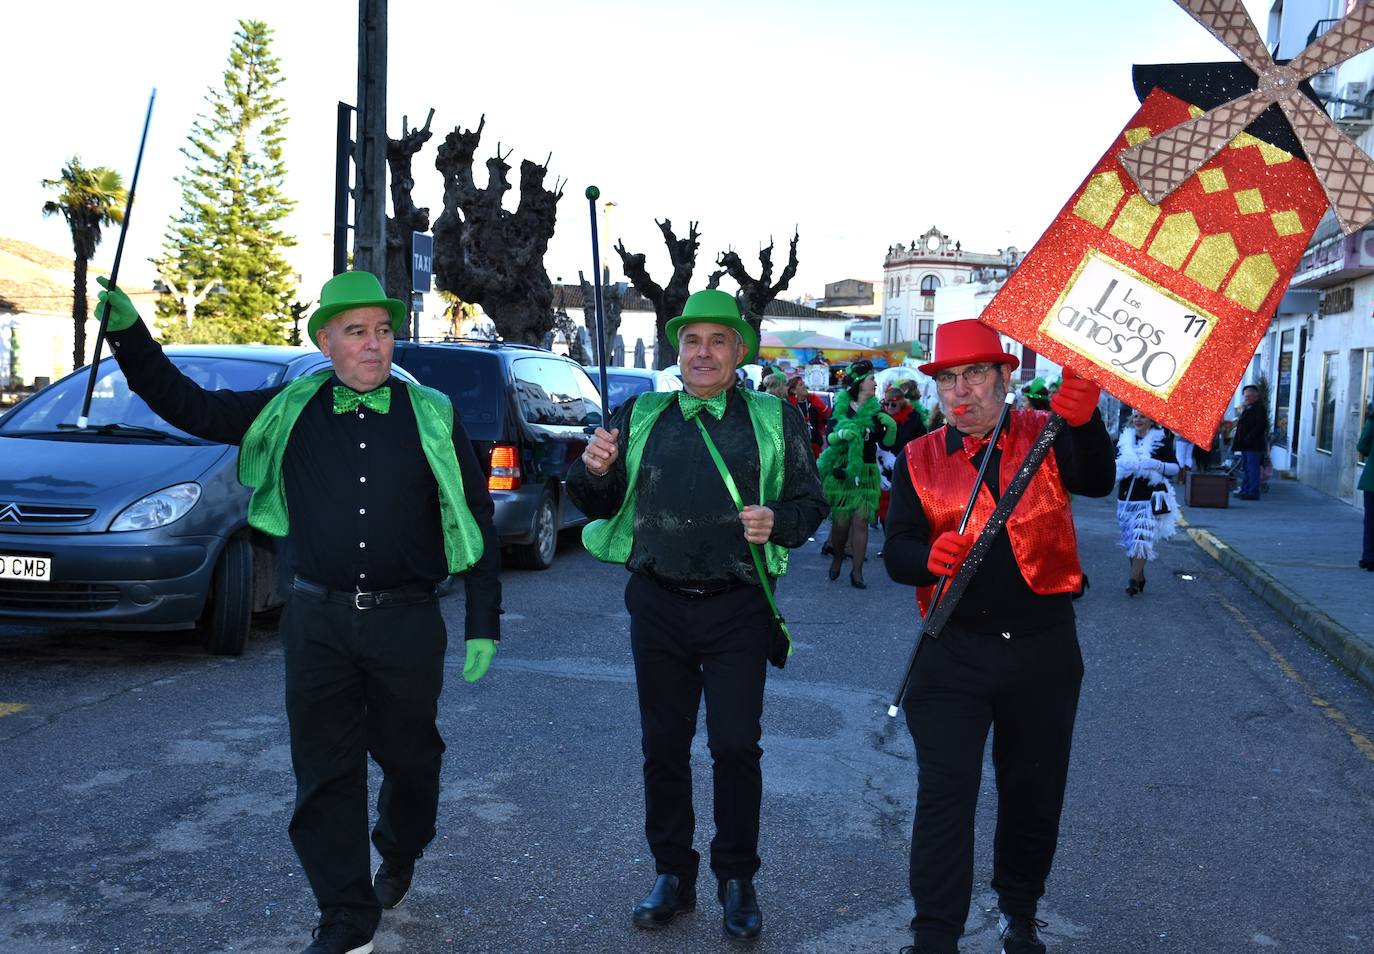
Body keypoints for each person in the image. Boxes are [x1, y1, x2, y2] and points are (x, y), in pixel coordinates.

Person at [95, 272, 502, 954]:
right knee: (324, 772)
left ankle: (399, 849)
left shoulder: (432, 413)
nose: (373, 346)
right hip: (317, 622)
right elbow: (187, 404)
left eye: (381, 330)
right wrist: (132, 338)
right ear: (324, 341)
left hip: (407, 622)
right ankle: (345, 916)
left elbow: (476, 513)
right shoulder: (289, 408)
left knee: (412, 762)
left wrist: (484, 620)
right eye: (355, 332)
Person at [566, 289, 826, 943]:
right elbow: (595, 499)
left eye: (717, 341)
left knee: (736, 745)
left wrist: (780, 522)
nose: (702, 353)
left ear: (739, 351)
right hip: (657, 604)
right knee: (664, 747)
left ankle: (737, 878)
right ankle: (672, 876)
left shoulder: (773, 418)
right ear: (677, 350)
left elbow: (808, 503)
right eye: (691, 341)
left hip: (738, 606)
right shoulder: (643, 413)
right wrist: (592, 471)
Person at [882, 319, 1114, 954]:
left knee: (1033, 789)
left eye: (977, 375)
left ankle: (1019, 909)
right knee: (945, 796)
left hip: (1043, 649)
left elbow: (1096, 480)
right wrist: (925, 556)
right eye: (950, 379)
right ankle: (935, 934)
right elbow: (896, 547)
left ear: (1007, 377)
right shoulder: (918, 456)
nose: (963, 392)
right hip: (952, 651)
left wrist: (1087, 421)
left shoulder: (1047, 433)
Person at [818, 359, 897, 588]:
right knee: (841, 523)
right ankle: (838, 558)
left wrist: (890, 426)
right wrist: (842, 434)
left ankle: (857, 572)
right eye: (872, 379)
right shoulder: (842, 406)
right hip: (843, 469)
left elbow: (888, 443)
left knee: (861, 521)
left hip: (866, 470)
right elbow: (830, 435)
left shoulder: (876, 411)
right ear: (861, 382)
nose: (875, 383)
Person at [1114, 411, 1179, 595]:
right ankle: (1140, 576)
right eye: (1135, 417)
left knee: (1141, 539)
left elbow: (1175, 468)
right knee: (1130, 542)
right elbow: (1112, 465)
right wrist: (1122, 469)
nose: (1138, 420)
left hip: (1148, 499)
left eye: (1142, 416)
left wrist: (1156, 465)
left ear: (1151, 420)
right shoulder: (1124, 440)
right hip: (1126, 499)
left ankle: (1133, 581)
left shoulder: (1161, 440)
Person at [1232, 384, 1268, 500]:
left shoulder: (1259, 409)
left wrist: (1249, 437)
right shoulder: (1248, 408)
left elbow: (1261, 426)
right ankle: (1245, 490)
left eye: (1248, 397)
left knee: (1252, 469)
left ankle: (1253, 492)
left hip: (1253, 445)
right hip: (1246, 445)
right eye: (1245, 397)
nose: (1246, 399)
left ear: (1255, 397)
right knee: (1247, 469)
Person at [787, 375, 830, 458]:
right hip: (797, 447)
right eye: (801, 385)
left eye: (804, 384)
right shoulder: (790, 406)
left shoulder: (814, 402)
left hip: (815, 446)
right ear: (793, 390)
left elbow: (827, 417)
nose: (805, 386)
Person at [1358, 409, 1374, 570]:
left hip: (1372, 480)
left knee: (1370, 520)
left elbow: (1362, 446)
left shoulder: (1372, 421)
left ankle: (1369, 557)